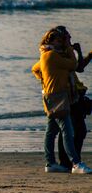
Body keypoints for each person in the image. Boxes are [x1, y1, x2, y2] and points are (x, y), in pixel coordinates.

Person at [31, 26, 92, 174]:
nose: (65, 42)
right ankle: (75, 163)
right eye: (62, 39)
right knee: (67, 130)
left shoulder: (55, 55)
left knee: (52, 130)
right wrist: (50, 80)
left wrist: (49, 78)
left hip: (61, 95)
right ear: (51, 40)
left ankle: (52, 163)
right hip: (57, 96)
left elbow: (37, 68)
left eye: (64, 39)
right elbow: (73, 65)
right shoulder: (51, 55)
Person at [55, 26, 92, 169]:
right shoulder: (59, 54)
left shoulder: (65, 52)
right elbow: (77, 67)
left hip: (73, 94)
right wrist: (77, 52)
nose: (71, 39)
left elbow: (78, 67)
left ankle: (69, 161)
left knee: (70, 129)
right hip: (68, 95)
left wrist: (83, 53)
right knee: (73, 129)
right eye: (68, 37)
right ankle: (71, 161)